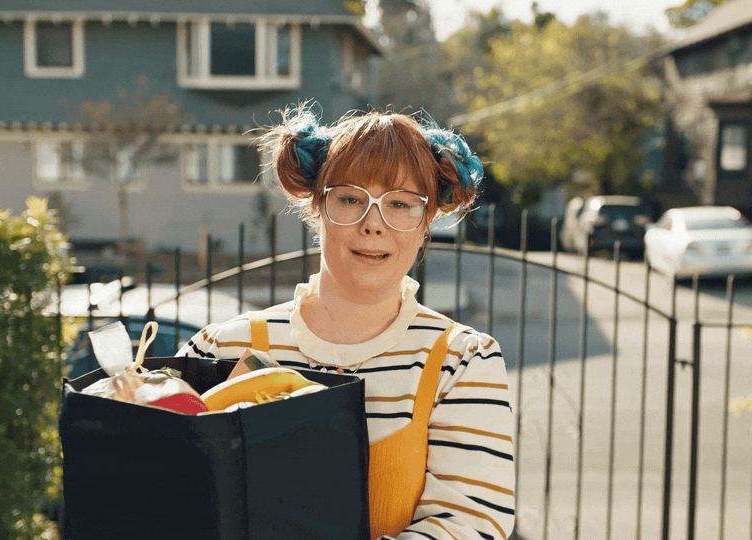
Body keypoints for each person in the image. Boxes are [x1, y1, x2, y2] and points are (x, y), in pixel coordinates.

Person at [176, 105, 516, 540]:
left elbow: (469, 526)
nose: (373, 223)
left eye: (400, 204)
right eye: (351, 198)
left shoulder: (461, 362)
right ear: (318, 208)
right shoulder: (218, 349)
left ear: (426, 220)